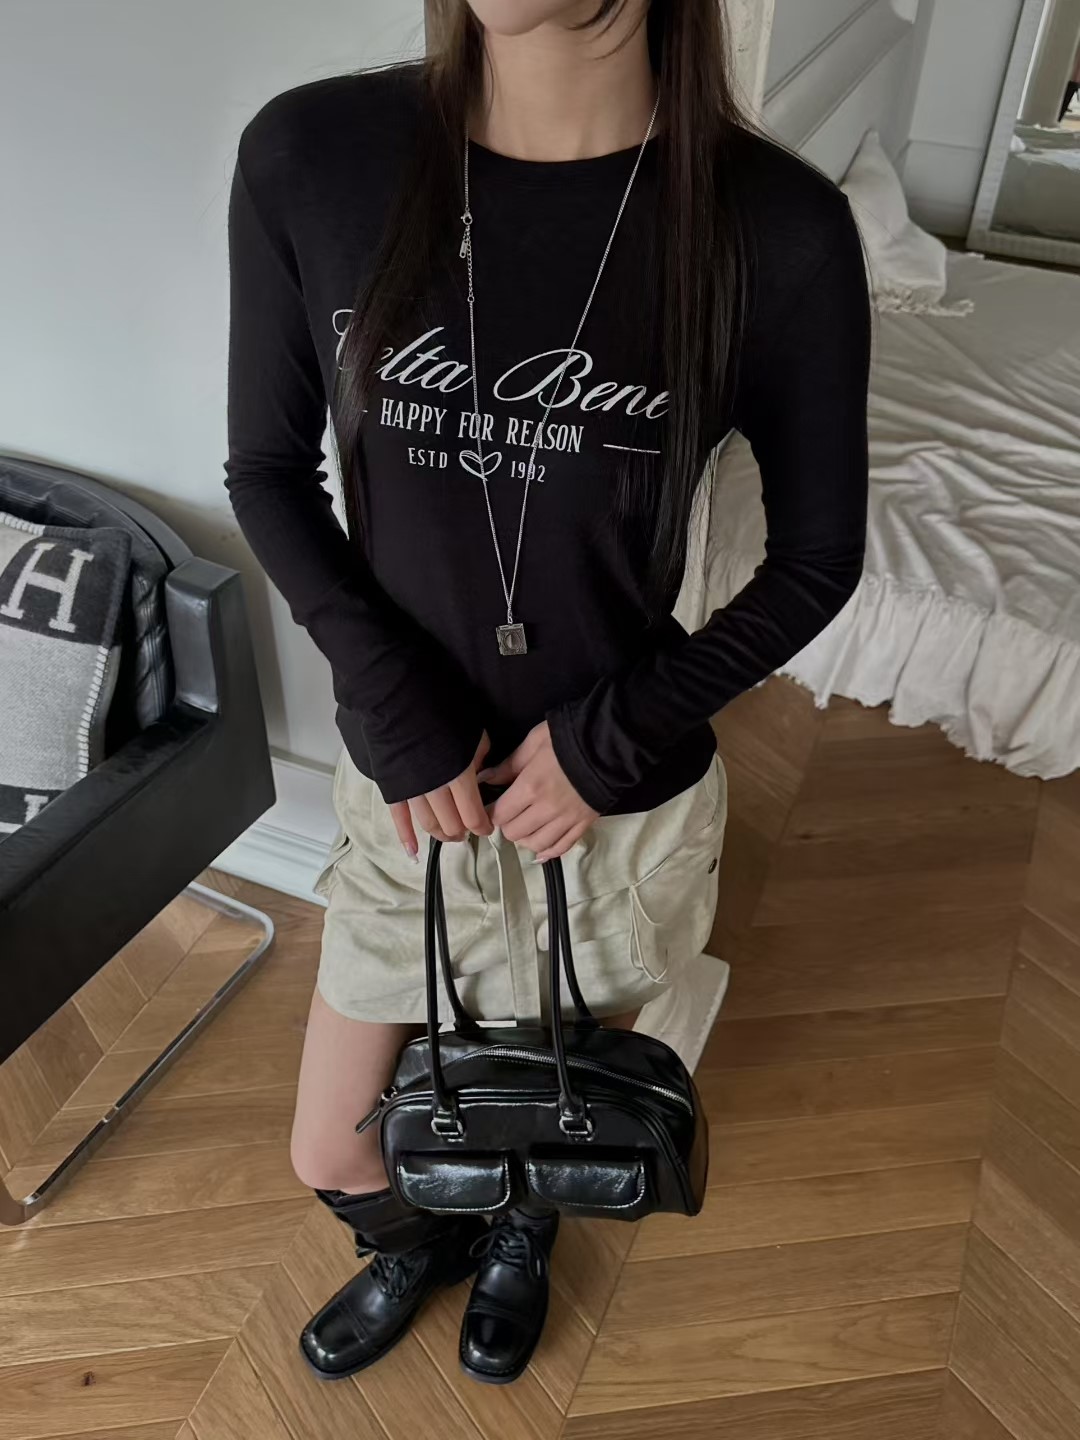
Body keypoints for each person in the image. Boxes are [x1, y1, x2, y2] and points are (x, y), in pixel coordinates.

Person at [223, 0, 872, 1388]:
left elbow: (820, 561)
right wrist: (396, 705)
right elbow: (268, 474)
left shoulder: (776, 228)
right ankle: (413, 1241)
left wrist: (611, 740)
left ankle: (521, 1228)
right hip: (412, 800)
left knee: (557, 1107)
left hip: (615, 812)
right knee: (331, 1144)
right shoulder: (315, 156)